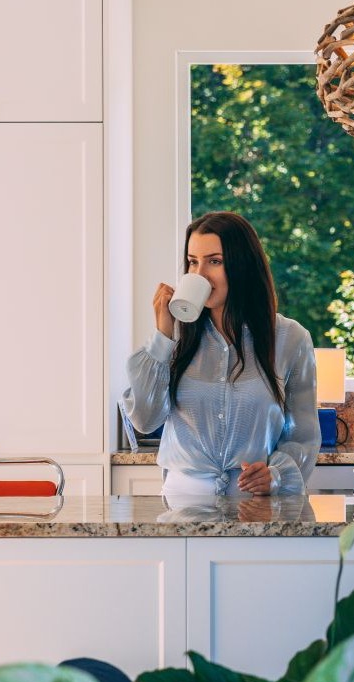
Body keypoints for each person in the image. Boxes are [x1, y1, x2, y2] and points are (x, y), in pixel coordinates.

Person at [124, 212, 317, 499]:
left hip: (256, 504)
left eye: (214, 261)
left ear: (243, 265)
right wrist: (163, 335)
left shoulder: (291, 339)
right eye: (193, 262)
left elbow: (303, 436)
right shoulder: (173, 338)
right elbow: (145, 420)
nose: (199, 274)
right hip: (183, 505)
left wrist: (276, 475)